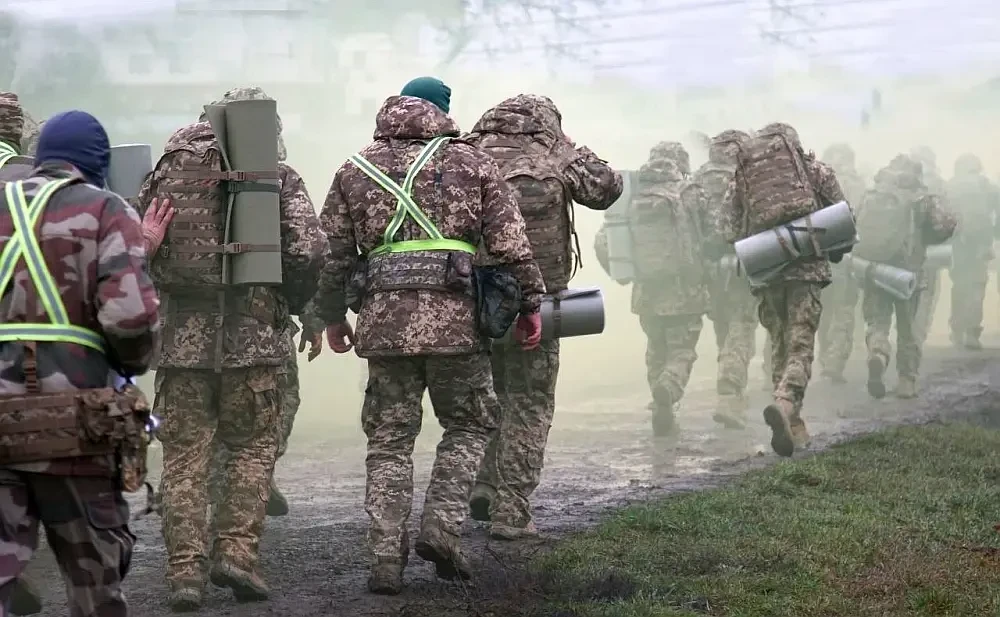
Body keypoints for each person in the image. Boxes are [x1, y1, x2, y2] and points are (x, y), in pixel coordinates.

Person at [316, 77, 545, 595]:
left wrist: (331, 315)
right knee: (468, 425)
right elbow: (511, 244)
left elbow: (333, 255)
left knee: (389, 440)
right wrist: (531, 304)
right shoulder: (473, 162)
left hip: (384, 326)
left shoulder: (354, 169)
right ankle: (441, 530)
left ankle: (385, 560)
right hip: (457, 324)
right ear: (442, 111)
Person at [138, 86, 328, 610]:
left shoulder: (166, 173)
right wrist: (291, 302)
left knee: (183, 458)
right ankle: (236, 556)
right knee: (252, 449)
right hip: (255, 341)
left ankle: (184, 574)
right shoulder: (278, 177)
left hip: (182, 345)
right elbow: (309, 251)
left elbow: (138, 240)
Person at [0, 110, 162, 616]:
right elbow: (131, 320)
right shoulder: (106, 209)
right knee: (95, 587)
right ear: (97, 164)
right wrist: (127, 367)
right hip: (77, 429)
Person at [462, 94, 622, 539]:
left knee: (485, 397)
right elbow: (606, 189)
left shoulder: (465, 151)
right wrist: (571, 146)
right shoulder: (553, 151)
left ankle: (483, 483)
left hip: (473, 300)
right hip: (537, 302)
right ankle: (512, 510)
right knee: (528, 401)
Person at [722, 122, 846, 457]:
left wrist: (764, 240)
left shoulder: (743, 178)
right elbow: (842, 216)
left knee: (779, 343)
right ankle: (786, 402)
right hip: (807, 271)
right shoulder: (816, 171)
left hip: (766, 272)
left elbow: (727, 229)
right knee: (800, 346)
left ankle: (793, 424)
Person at [595, 142, 710, 435]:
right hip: (684, 290)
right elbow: (715, 233)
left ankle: (662, 406)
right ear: (680, 164)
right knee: (682, 350)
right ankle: (668, 388)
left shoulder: (630, 194)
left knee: (656, 349)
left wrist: (624, 272)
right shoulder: (690, 192)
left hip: (646, 292)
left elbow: (603, 242)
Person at [858, 155, 956, 399]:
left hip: (876, 270)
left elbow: (856, 227)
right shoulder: (921, 197)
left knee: (877, 322)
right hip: (910, 273)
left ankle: (878, 353)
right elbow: (945, 226)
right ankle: (906, 381)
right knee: (908, 329)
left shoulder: (873, 194)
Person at [695, 130, 759, 427]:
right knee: (741, 328)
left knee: (723, 328)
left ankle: (733, 391)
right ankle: (730, 394)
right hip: (740, 265)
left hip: (707, 268)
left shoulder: (697, 178)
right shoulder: (746, 177)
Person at [817, 143, 867, 383]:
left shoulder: (814, 180)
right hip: (847, 258)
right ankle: (834, 361)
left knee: (822, 310)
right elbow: (865, 222)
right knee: (843, 310)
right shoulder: (858, 185)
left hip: (817, 258)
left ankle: (823, 355)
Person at [946, 154, 999, 350]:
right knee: (977, 285)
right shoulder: (987, 186)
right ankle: (972, 332)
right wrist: (994, 235)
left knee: (959, 284)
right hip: (980, 242)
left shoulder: (951, 185)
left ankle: (957, 330)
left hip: (957, 242)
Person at [909, 146, 947, 346]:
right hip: (930, 250)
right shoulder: (938, 184)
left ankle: (906, 333)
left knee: (905, 292)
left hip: (901, 250)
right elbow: (948, 218)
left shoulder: (901, 180)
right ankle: (918, 335)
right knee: (927, 293)